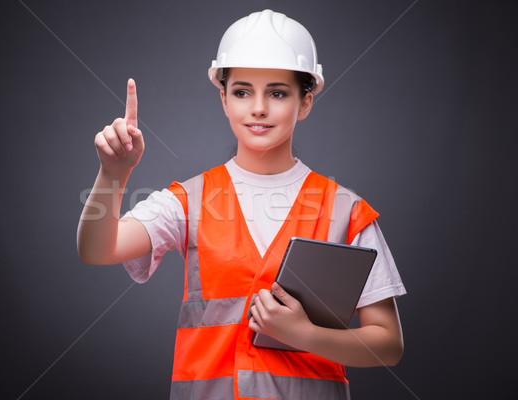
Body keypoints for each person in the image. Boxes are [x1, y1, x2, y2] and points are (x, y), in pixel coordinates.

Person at [77, 9, 406, 400]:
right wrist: (114, 175)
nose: (259, 108)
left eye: (278, 93)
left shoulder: (346, 211)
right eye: (243, 91)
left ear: (305, 103)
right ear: (224, 99)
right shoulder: (189, 201)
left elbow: (388, 345)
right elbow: (98, 250)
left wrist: (305, 335)